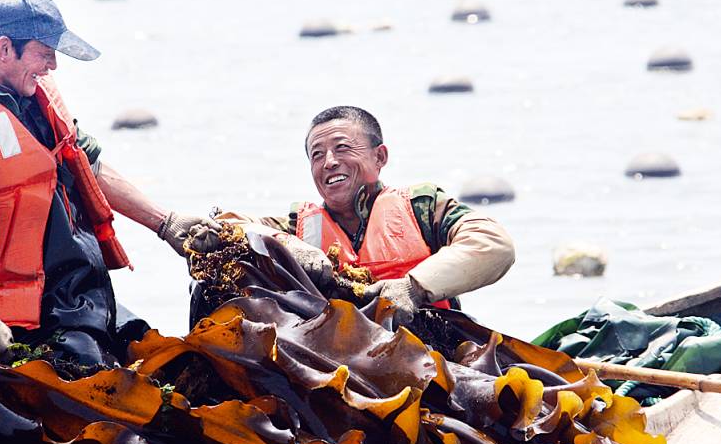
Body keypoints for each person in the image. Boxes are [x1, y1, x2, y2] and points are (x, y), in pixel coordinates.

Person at [0, 0, 215, 366]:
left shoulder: (32, 93)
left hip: (78, 296)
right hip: (23, 321)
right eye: (45, 54)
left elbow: (87, 165)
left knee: (173, 362)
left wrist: (167, 224)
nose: (53, 66)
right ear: (3, 48)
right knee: (110, 400)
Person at [194, 106, 515, 324]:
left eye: (343, 148)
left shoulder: (424, 208)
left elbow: (494, 245)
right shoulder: (299, 227)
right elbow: (227, 228)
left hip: (432, 359)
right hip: (333, 369)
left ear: (380, 157)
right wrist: (288, 245)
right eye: (317, 155)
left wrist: (413, 288)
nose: (329, 162)